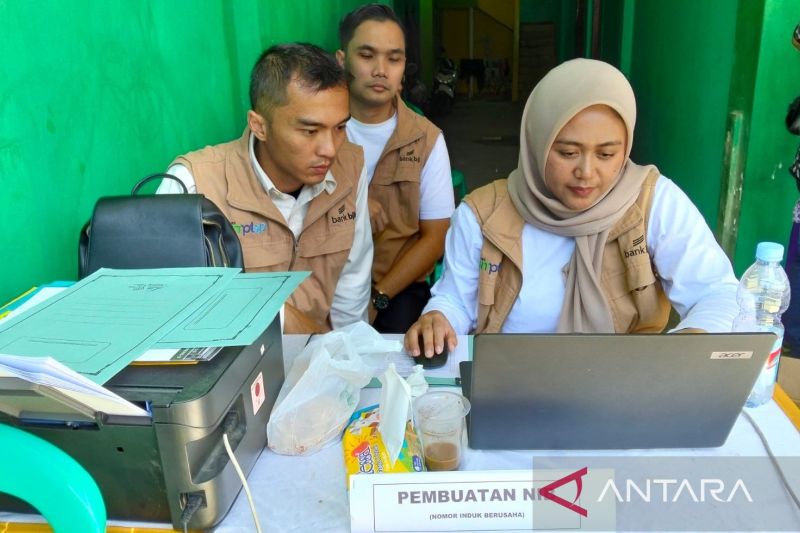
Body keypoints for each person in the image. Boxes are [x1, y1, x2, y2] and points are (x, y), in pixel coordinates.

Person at [405, 58, 739, 357]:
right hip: (512, 382)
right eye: (566, 152)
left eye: (607, 154)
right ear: (536, 142)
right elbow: (455, 301)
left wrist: (692, 342)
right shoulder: (482, 214)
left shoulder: (652, 203)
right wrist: (438, 317)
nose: (587, 172)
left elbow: (717, 292)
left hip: (620, 384)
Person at [158, 43, 372, 334]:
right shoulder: (193, 183)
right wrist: (280, 317)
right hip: (232, 367)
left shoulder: (350, 169)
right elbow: (167, 307)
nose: (330, 149)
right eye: (310, 131)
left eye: (339, 128)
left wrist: (348, 359)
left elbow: (352, 284)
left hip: (318, 359)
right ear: (259, 126)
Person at [336, 4, 455, 333]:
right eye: (367, 55)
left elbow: (435, 237)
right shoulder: (319, 129)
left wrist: (378, 299)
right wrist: (352, 201)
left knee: (399, 360)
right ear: (342, 60)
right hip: (325, 282)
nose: (380, 70)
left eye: (394, 58)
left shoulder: (426, 139)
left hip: (395, 287)